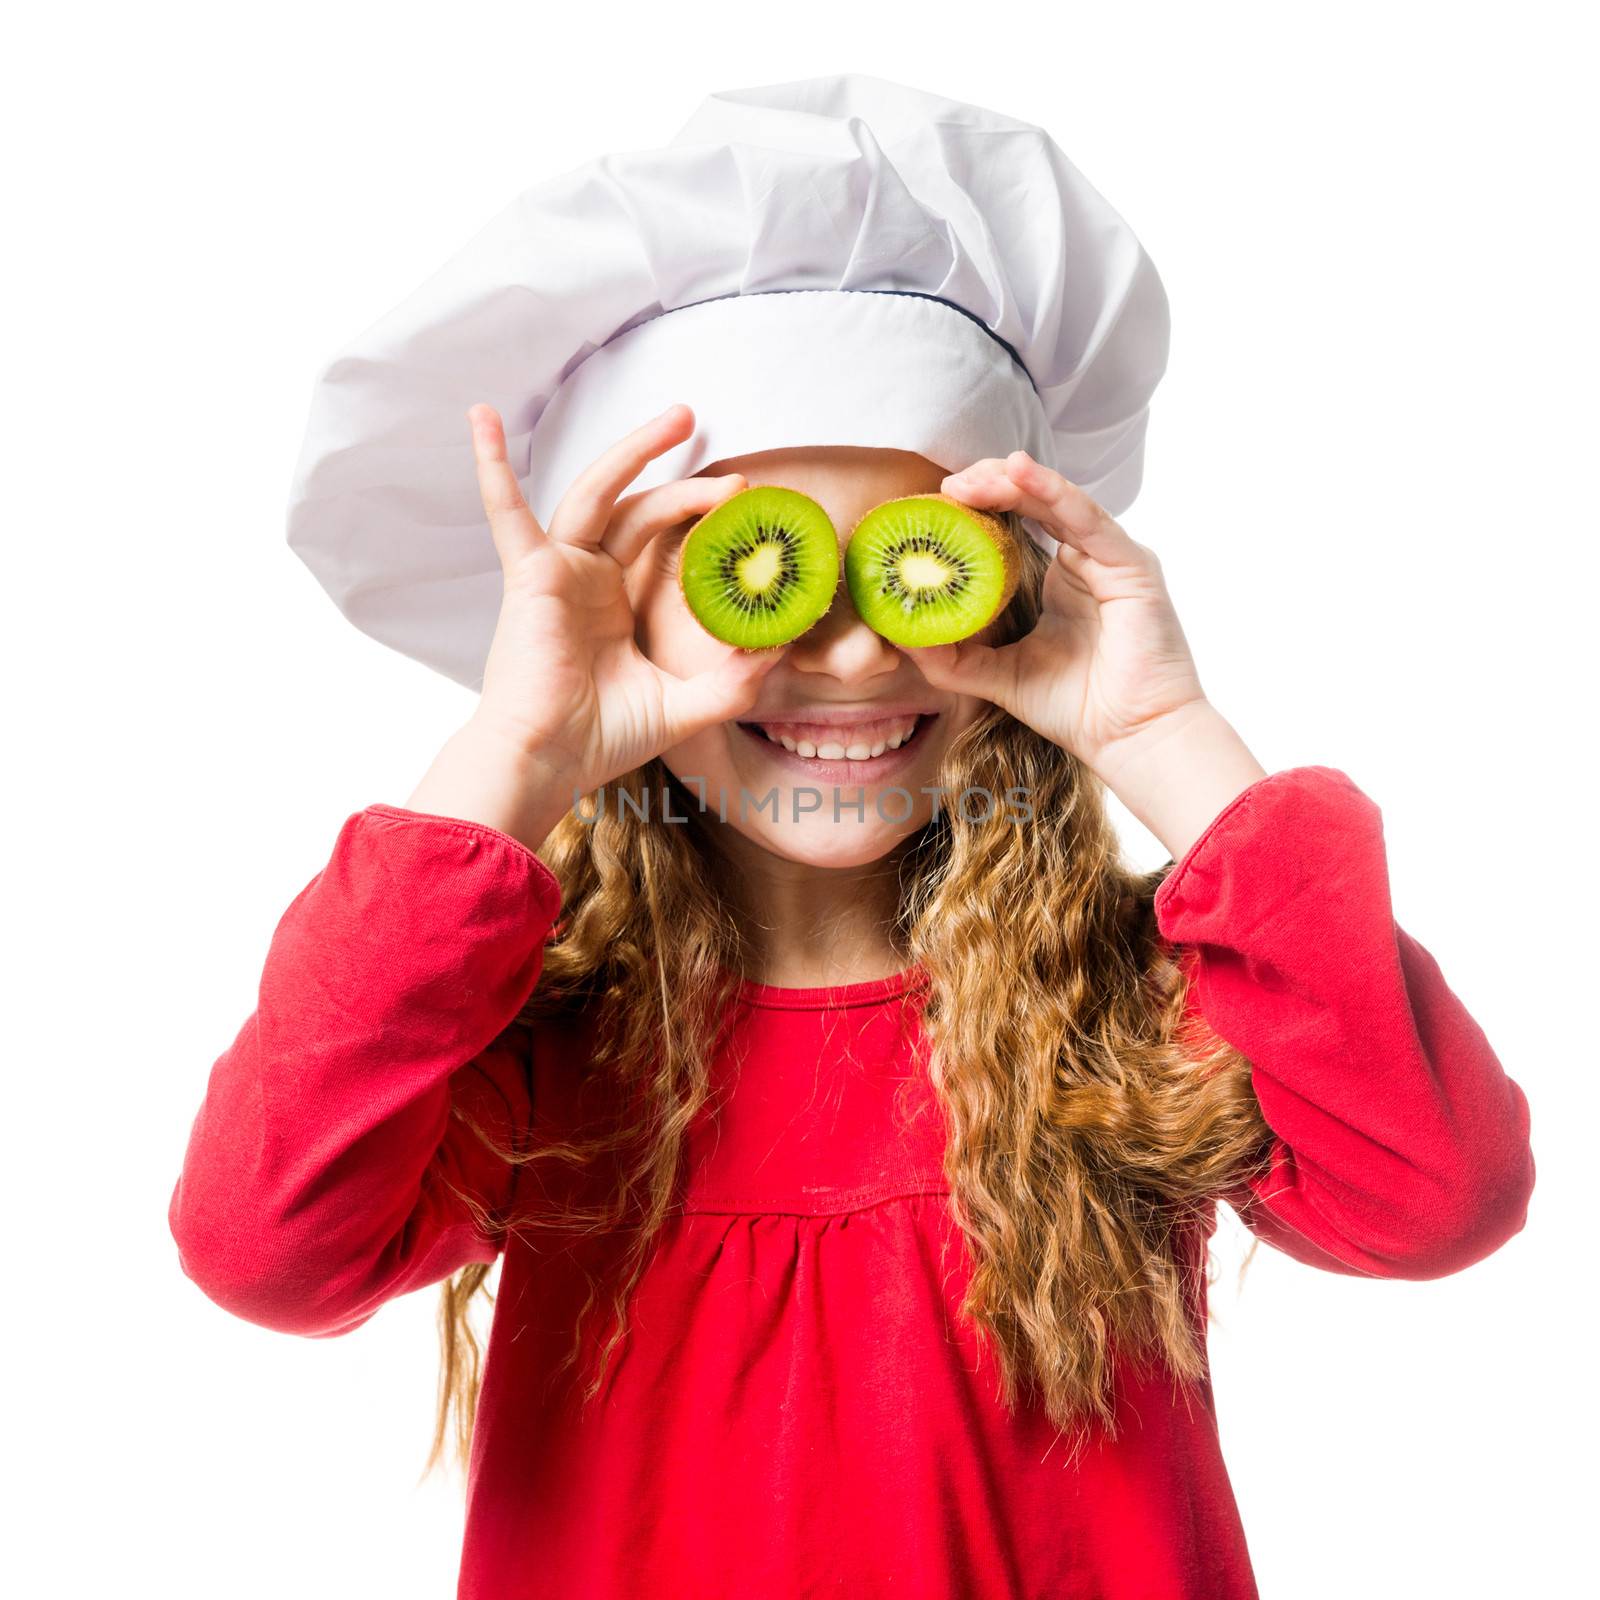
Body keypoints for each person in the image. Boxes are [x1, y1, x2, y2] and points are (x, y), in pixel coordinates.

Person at [166, 75, 1536, 1599]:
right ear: (613, 623)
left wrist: (1164, 740)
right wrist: (514, 754)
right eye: (760, 574)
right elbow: (262, 1250)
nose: (856, 657)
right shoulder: (538, 1053)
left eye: (915, 573)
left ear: (1013, 585)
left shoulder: (1135, 1009)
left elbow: (1441, 1202)